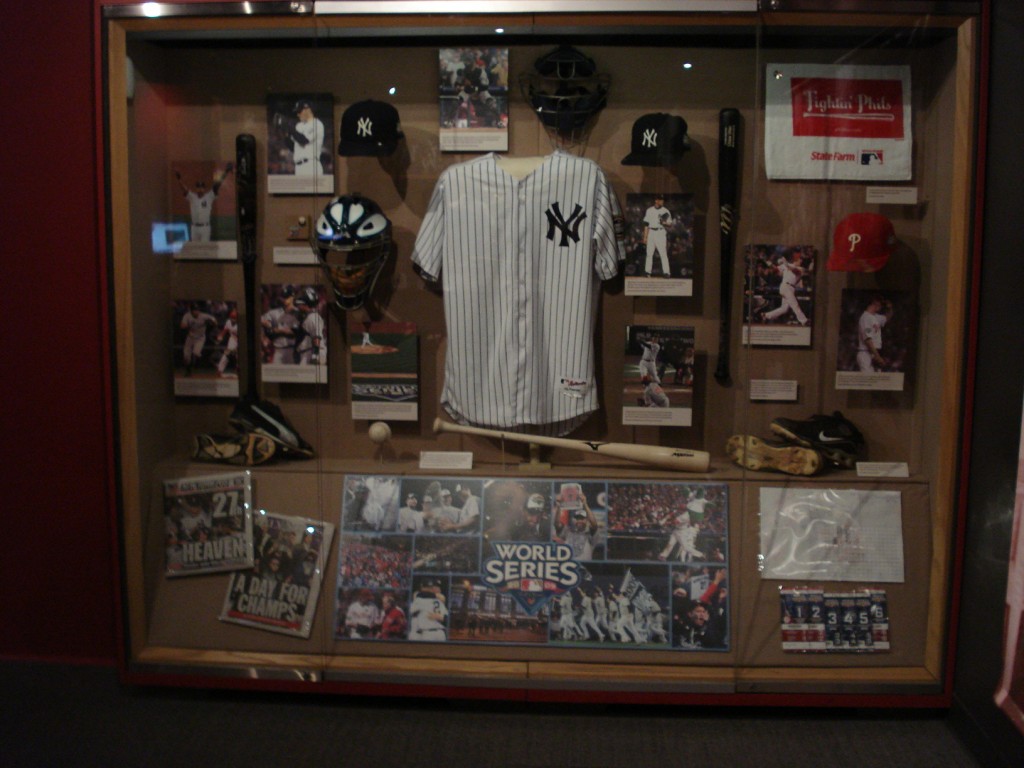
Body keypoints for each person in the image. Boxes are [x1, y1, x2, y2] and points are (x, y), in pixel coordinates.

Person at [175, 162, 232, 242]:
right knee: (195, 251)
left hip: (205, 228)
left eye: (202, 187)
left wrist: (226, 172)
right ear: (196, 188)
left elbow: (217, 185)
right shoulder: (192, 197)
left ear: (204, 189)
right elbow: (184, 190)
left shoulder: (209, 196)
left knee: (204, 250)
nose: (200, 189)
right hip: (194, 228)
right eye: (198, 187)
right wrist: (179, 179)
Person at [763, 250, 809, 325]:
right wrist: (770, 264)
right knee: (795, 304)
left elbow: (794, 270)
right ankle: (804, 321)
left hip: (790, 287)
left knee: (784, 309)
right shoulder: (786, 265)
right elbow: (776, 269)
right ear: (795, 260)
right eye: (799, 260)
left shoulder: (801, 269)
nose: (800, 261)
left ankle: (766, 315)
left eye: (801, 260)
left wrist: (786, 264)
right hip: (785, 286)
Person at [261, 285, 300, 364]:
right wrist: (268, 325)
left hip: (292, 349)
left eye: (287, 297)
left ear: (292, 297)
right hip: (278, 349)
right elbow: (263, 321)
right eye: (283, 297)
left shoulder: (298, 313)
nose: (285, 300)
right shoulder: (275, 312)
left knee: (292, 375)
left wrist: (278, 331)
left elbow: (295, 332)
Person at [856, 295, 893, 372]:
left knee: (874, 381)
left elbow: (887, 318)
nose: (881, 305)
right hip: (865, 353)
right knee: (868, 382)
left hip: (872, 353)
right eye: (879, 303)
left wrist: (889, 308)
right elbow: (868, 340)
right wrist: (878, 357)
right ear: (873, 303)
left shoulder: (875, 317)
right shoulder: (865, 318)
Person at [289, 100, 325, 177]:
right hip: (298, 167)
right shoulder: (299, 125)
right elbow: (293, 147)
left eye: (299, 111)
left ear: (307, 109)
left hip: (311, 166)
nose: (298, 114)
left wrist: (290, 129)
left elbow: (304, 140)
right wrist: (285, 134)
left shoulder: (317, 124)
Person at [180, 303, 217, 376]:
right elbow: (182, 326)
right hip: (190, 338)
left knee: (196, 353)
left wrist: (213, 323)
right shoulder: (187, 316)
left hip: (200, 338)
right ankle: (188, 370)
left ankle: (193, 365)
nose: (197, 312)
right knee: (186, 357)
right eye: (195, 310)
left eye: (197, 310)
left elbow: (214, 320)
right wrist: (186, 325)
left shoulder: (204, 316)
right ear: (191, 311)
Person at [294, 288, 325, 366]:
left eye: (300, 304)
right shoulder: (309, 316)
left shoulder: (313, 317)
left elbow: (316, 337)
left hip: (311, 353)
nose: (298, 306)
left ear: (306, 304)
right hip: (308, 352)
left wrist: (315, 356)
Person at [642, 194, 672, 275]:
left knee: (663, 253)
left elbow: (670, 224)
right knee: (649, 253)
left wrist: (664, 222)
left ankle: (666, 272)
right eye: (660, 199)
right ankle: (647, 272)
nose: (662, 201)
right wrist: (645, 237)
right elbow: (646, 224)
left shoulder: (665, 211)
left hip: (660, 232)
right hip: (651, 232)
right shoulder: (649, 210)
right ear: (656, 200)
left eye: (663, 199)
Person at [215, 308, 238, 378]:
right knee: (227, 354)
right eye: (232, 317)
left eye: (234, 318)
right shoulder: (228, 322)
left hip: (241, 340)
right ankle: (219, 370)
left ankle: (240, 370)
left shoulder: (241, 323)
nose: (233, 319)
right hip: (232, 340)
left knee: (239, 356)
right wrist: (220, 336)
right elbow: (225, 330)